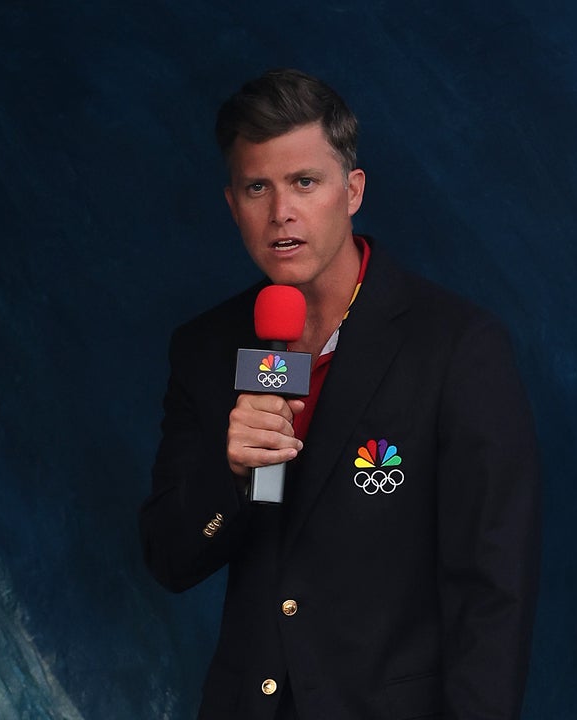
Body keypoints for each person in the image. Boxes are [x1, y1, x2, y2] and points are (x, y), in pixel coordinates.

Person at [139, 68, 540, 720]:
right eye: (256, 188)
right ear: (231, 203)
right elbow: (169, 557)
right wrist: (233, 475)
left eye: (304, 182)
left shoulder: (455, 348)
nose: (281, 213)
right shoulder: (208, 348)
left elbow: (493, 591)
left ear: (352, 191)